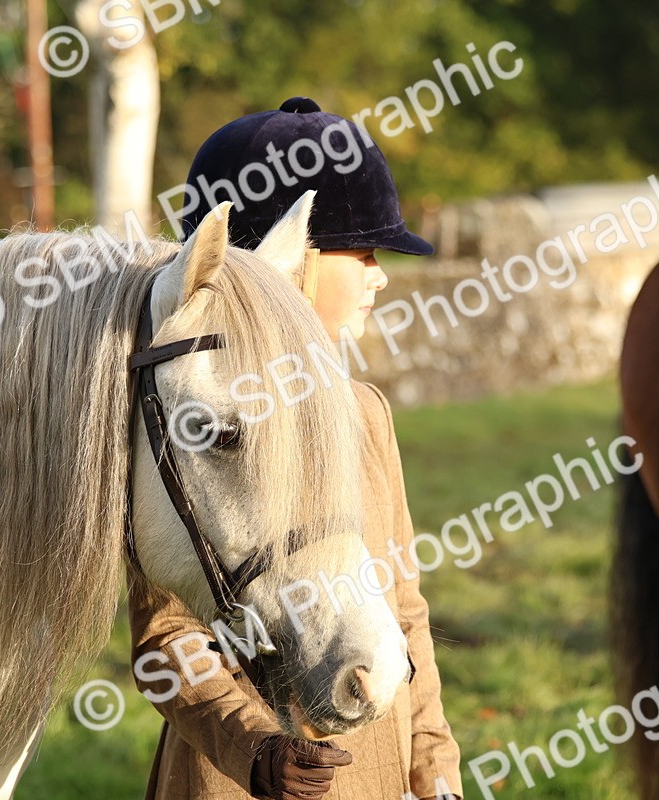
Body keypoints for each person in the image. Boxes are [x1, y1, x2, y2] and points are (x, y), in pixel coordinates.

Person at [127, 97, 463, 800]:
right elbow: (165, 637)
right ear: (294, 258)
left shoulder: (367, 414)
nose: (380, 276)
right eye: (365, 252)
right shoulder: (190, 424)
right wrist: (255, 748)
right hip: (236, 779)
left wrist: (433, 764)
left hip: (378, 771)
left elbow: (405, 608)